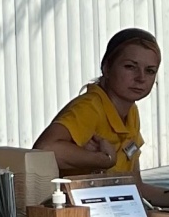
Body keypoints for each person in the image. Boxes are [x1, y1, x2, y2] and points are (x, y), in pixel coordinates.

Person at [34, 29, 162, 181]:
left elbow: (135, 186)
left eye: (150, 71)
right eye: (130, 67)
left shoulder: (131, 112)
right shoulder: (90, 108)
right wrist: (104, 160)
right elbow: (44, 150)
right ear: (106, 68)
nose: (141, 78)